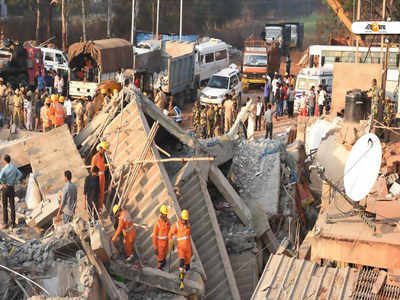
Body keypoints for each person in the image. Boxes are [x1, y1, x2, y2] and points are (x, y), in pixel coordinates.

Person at [0, 155, 22, 229]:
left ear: (5, 161)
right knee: (12, 205)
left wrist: (3, 183)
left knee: (5, 205)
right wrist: (15, 181)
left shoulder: (4, 169)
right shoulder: (14, 168)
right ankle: (13, 223)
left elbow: (0, 177)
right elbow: (20, 174)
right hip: (11, 187)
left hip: (5, 188)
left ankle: (5, 223)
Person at [153, 205, 171, 270]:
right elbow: (154, 236)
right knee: (160, 257)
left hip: (166, 242)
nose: (165, 215)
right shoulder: (157, 223)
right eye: (164, 214)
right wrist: (155, 247)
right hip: (160, 244)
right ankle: (159, 268)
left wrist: (171, 241)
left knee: (165, 254)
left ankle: (163, 262)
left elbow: (170, 232)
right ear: (161, 214)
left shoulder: (168, 221)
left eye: (166, 214)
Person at [91, 141, 107, 210]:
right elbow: (92, 169)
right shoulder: (95, 157)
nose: (104, 151)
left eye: (104, 150)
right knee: (98, 193)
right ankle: (97, 207)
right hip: (98, 177)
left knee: (102, 192)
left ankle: (100, 207)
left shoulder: (102, 157)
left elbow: (102, 166)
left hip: (102, 177)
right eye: (103, 150)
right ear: (100, 149)